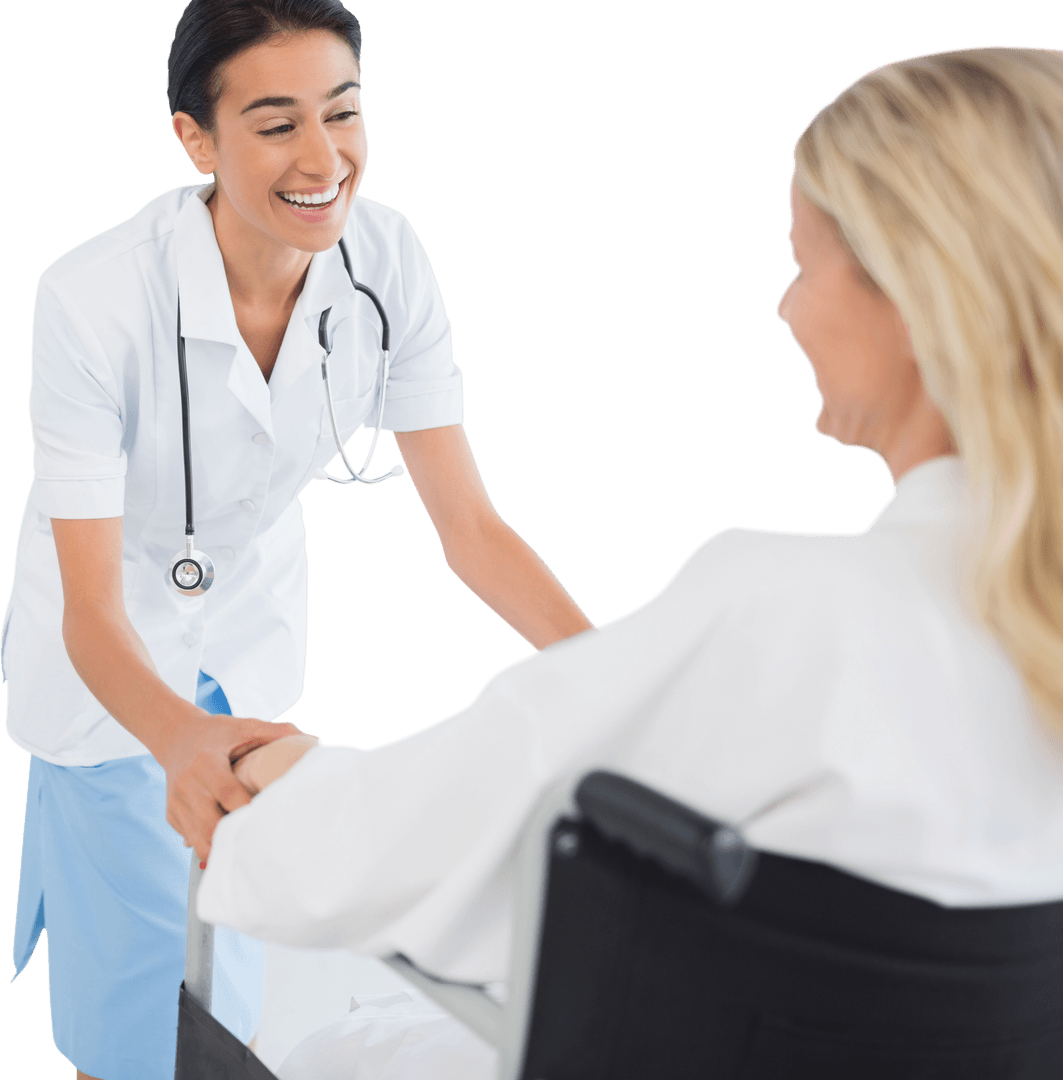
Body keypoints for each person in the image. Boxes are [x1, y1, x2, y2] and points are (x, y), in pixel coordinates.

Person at [198, 43, 1063, 1068]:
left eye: (803, 260)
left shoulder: (791, 614)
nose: (786, 306)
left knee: (273, 985)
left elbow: (348, 864)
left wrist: (284, 779)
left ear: (919, 293)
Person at [3, 3, 594, 1079]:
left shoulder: (386, 256)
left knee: (224, 995)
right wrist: (177, 739)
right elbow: (90, 602)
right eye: (276, 124)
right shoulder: (91, 298)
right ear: (197, 139)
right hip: (112, 671)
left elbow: (469, 527)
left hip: (248, 643)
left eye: (343, 112)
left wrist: (610, 677)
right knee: (134, 1025)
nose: (325, 158)